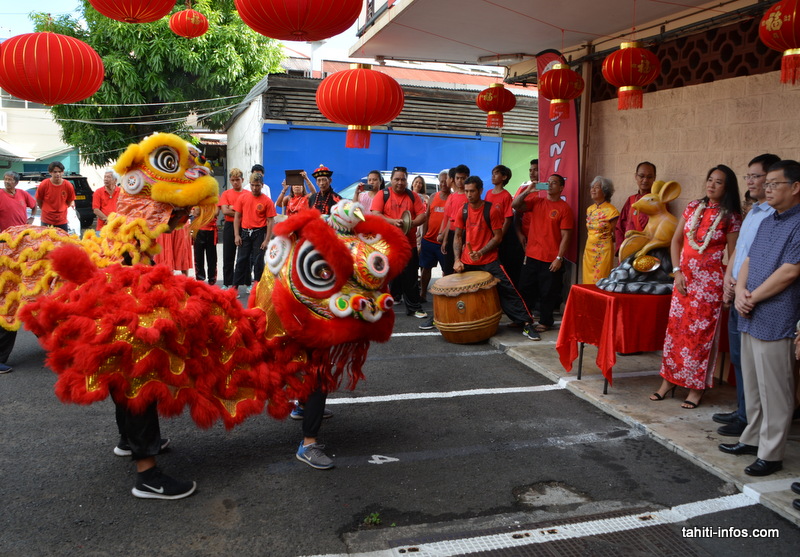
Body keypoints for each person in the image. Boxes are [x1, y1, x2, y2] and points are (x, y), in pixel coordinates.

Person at [719, 160, 800, 478]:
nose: (767, 188)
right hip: (749, 311)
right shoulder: (767, 219)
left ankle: (771, 452)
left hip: (775, 314)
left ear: (795, 187)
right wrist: (740, 289)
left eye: (774, 184)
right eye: (766, 184)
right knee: (751, 382)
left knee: (775, 389)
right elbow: (748, 257)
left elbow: (791, 270)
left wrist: (752, 296)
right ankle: (751, 438)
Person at [650, 165, 741, 409]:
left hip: (710, 284)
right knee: (676, 333)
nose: (711, 185)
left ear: (727, 187)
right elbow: (676, 240)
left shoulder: (731, 216)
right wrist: (677, 271)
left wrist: (727, 287)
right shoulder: (692, 207)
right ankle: (668, 381)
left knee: (700, 337)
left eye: (718, 182)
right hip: (684, 279)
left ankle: (695, 388)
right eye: (709, 179)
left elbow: (733, 254)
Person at [715, 154, 781, 437]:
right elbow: (739, 252)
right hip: (737, 288)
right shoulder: (754, 212)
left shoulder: (773, 215)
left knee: (755, 366)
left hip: (752, 295)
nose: (751, 181)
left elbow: (761, 260)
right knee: (740, 360)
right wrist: (728, 280)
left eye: (756, 176)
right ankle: (743, 410)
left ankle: (750, 418)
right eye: (748, 176)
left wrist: (741, 289)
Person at [452, 176, 533, 338]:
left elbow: (498, 237)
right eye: (466, 191)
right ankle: (437, 318)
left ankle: (526, 323)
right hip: (467, 260)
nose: (468, 194)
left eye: (472, 191)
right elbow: (458, 237)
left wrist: (481, 252)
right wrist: (456, 259)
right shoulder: (463, 210)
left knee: (507, 290)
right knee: (452, 290)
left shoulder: (491, 210)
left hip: (489, 259)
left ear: (480, 191)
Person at [512, 173, 574, 340]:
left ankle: (546, 322)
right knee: (525, 288)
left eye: (554, 183)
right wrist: (528, 190)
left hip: (550, 258)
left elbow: (566, 236)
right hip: (532, 255)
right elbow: (516, 205)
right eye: (549, 182)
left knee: (548, 292)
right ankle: (522, 319)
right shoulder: (537, 201)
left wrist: (559, 258)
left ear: (561, 187)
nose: (550, 185)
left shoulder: (564, 208)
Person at [371, 166, 427, 318]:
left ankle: (414, 307)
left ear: (406, 180)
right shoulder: (383, 194)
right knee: (383, 275)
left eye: (403, 179)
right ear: (391, 180)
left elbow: (422, 215)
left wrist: (410, 224)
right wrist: (392, 222)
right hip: (387, 244)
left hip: (408, 244)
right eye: (397, 179)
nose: (400, 182)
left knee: (410, 277)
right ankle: (381, 305)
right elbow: (375, 214)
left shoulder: (413, 196)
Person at [0, 170, 37, 373]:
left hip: (20, 245)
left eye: (9, 180)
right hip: (5, 246)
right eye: (4, 179)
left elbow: (34, 206)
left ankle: (59, 348)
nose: (7, 182)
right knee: (9, 307)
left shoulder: (23, 195)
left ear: (16, 182)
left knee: (31, 303)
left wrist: (30, 222)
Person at [233, 172, 276, 295]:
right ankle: (234, 288)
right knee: (241, 260)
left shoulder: (267, 201)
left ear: (262, 185)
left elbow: (270, 221)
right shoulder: (242, 197)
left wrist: (267, 240)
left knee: (258, 261)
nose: (255, 188)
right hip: (245, 233)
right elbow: (237, 217)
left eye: (257, 185)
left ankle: (258, 288)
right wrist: (237, 235)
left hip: (259, 233)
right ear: (249, 185)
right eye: (252, 185)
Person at [485, 165, 522, 291]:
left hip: (501, 236)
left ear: (504, 177)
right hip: (488, 235)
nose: (493, 176)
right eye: (492, 173)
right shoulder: (489, 193)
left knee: (502, 265)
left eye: (496, 173)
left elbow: (508, 219)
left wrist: (500, 237)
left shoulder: (506, 196)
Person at [418, 170, 450, 305]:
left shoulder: (453, 198)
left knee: (447, 271)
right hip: (429, 240)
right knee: (426, 268)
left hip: (444, 242)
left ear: (450, 182)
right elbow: (427, 217)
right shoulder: (432, 197)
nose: (443, 184)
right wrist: (424, 235)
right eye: (441, 181)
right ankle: (423, 293)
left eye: (445, 181)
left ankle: (446, 296)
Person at [615, 162, 658, 254]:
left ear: (654, 178)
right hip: (629, 249)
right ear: (636, 176)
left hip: (648, 251)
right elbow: (620, 227)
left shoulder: (658, 201)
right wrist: (621, 249)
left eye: (649, 177)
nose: (645, 180)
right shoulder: (631, 200)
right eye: (641, 176)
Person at [582, 176, 619, 283]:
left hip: (603, 251)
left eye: (596, 187)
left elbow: (616, 234)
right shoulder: (590, 209)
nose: (593, 190)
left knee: (600, 280)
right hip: (589, 249)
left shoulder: (612, 211)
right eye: (592, 187)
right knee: (587, 280)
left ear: (605, 191)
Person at [438, 165, 469, 276]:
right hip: (451, 234)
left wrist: (466, 242)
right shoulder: (452, 196)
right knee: (447, 268)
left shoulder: (468, 196)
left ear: (467, 178)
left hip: (463, 234)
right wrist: (445, 239)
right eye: (458, 178)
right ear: (454, 179)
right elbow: (449, 220)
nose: (460, 181)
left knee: (460, 268)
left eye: (463, 178)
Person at [218, 168, 246, 289]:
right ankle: (227, 282)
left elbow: (248, 212)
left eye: (237, 180)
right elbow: (225, 210)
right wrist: (240, 211)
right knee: (228, 255)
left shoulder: (247, 194)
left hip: (244, 225)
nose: (235, 182)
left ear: (242, 180)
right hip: (229, 226)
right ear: (230, 180)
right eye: (233, 180)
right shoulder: (226, 194)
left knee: (244, 256)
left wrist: (233, 208)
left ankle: (245, 282)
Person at [36, 161, 76, 232]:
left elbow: (70, 201)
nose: (57, 174)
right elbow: (39, 200)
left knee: (63, 242)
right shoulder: (44, 184)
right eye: (55, 172)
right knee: (46, 242)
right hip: (46, 220)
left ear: (63, 172)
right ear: (50, 172)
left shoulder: (68, 185)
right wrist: (46, 209)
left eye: (59, 172)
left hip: (62, 220)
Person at [192, 205, 219, 285]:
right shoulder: (198, 196)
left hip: (211, 230)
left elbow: (216, 212)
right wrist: (209, 212)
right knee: (198, 256)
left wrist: (202, 211)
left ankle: (212, 279)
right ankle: (200, 279)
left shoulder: (214, 196)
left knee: (212, 257)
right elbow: (195, 213)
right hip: (198, 229)